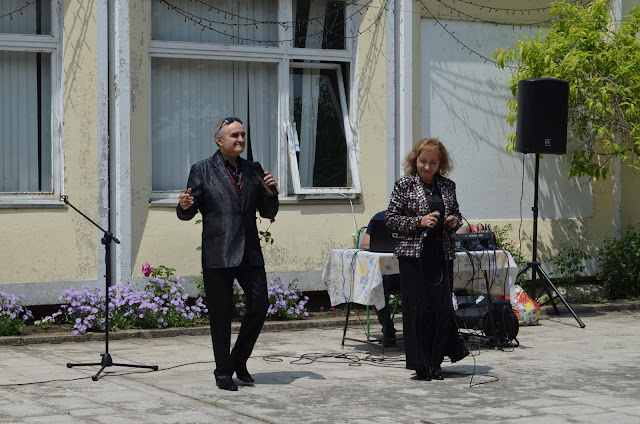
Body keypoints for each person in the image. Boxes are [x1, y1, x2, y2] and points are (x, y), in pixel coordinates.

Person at [177, 116, 279, 391]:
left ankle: (238, 359)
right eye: (234, 135)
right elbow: (189, 210)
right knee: (221, 314)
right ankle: (223, 372)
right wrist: (185, 206)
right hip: (218, 251)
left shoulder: (253, 169)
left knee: (260, 304)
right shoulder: (202, 169)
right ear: (219, 140)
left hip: (249, 251)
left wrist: (271, 193)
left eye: (243, 134)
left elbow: (267, 212)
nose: (240, 139)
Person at [385, 137, 468, 381]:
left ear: (441, 164)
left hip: (441, 254)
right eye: (423, 161)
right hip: (413, 257)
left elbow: (456, 215)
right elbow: (391, 219)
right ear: (415, 160)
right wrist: (419, 221)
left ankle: (436, 363)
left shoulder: (448, 186)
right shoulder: (404, 185)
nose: (427, 167)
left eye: (433, 163)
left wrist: (453, 222)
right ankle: (420, 365)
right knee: (417, 311)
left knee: (441, 310)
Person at [358, 210, 398, 347]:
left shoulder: (420, 218)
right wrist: (385, 245)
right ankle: (388, 328)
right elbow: (364, 245)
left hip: (413, 273)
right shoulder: (380, 218)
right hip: (387, 276)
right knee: (376, 283)